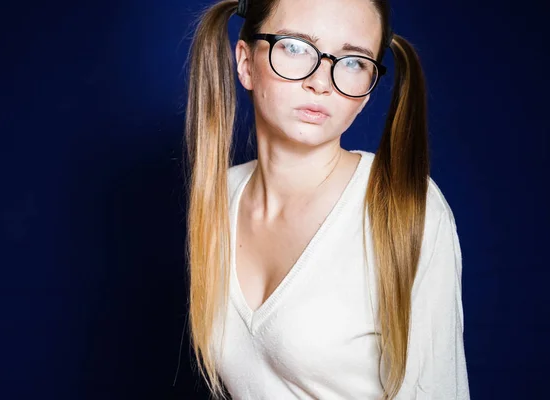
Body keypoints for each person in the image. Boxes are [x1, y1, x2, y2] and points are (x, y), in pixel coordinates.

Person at [182, 0, 470, 398]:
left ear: (367, 92)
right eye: (296, 47)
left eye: (353, 61)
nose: (321, 81)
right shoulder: (217, 198)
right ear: (246, 63)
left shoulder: (405, 208)